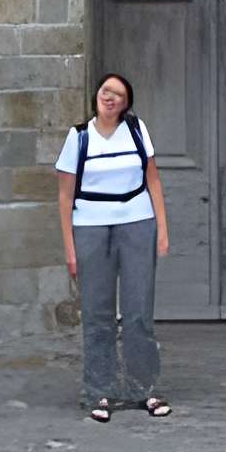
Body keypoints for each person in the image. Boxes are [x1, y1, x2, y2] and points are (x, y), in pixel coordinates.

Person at [55, 72, 171, 424]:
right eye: (107, 91)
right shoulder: (79, 137)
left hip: (137, 223)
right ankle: (99, 391)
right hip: (90, 227)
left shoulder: (137, 131)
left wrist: (162, 230)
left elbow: (152, 179)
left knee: (138, 311)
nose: (111, 98)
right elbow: (64, 195)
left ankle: (143, 389)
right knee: (97, 314)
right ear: (97, 96)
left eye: (119, 95)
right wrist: (70, 249)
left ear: (125, 104)